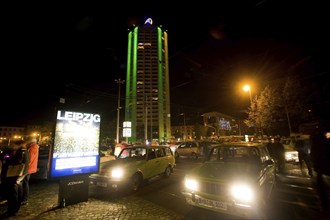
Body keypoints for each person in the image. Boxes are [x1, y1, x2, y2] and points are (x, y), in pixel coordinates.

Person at [1, 140, 30, 217]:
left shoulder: (21, 151)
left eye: (13, 144)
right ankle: (15, 209)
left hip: (15, 174)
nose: (11, 146)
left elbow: (17, 161)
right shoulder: (24, 151)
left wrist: (7, 159)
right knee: (18, 191)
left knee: (13, 193)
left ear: (18, 145)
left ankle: (12, 210)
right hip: (20, 174)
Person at [310, 121, 330, 212]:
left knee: (320, 186)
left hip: (321, 166)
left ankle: (324, 205)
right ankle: (324, 204)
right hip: (322, 166)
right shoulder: (324, 140)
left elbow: (314, 154)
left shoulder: (317, 141)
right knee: (320, 185)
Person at [21, 137, 39, 206]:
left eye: (28, 140)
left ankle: (24, 199)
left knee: (25, 183)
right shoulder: (35, 147)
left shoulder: (32, 147)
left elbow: (29, 159)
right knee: (25, 182)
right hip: (31, 168)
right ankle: (24, 199)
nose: (27, 141)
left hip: (28, 168)